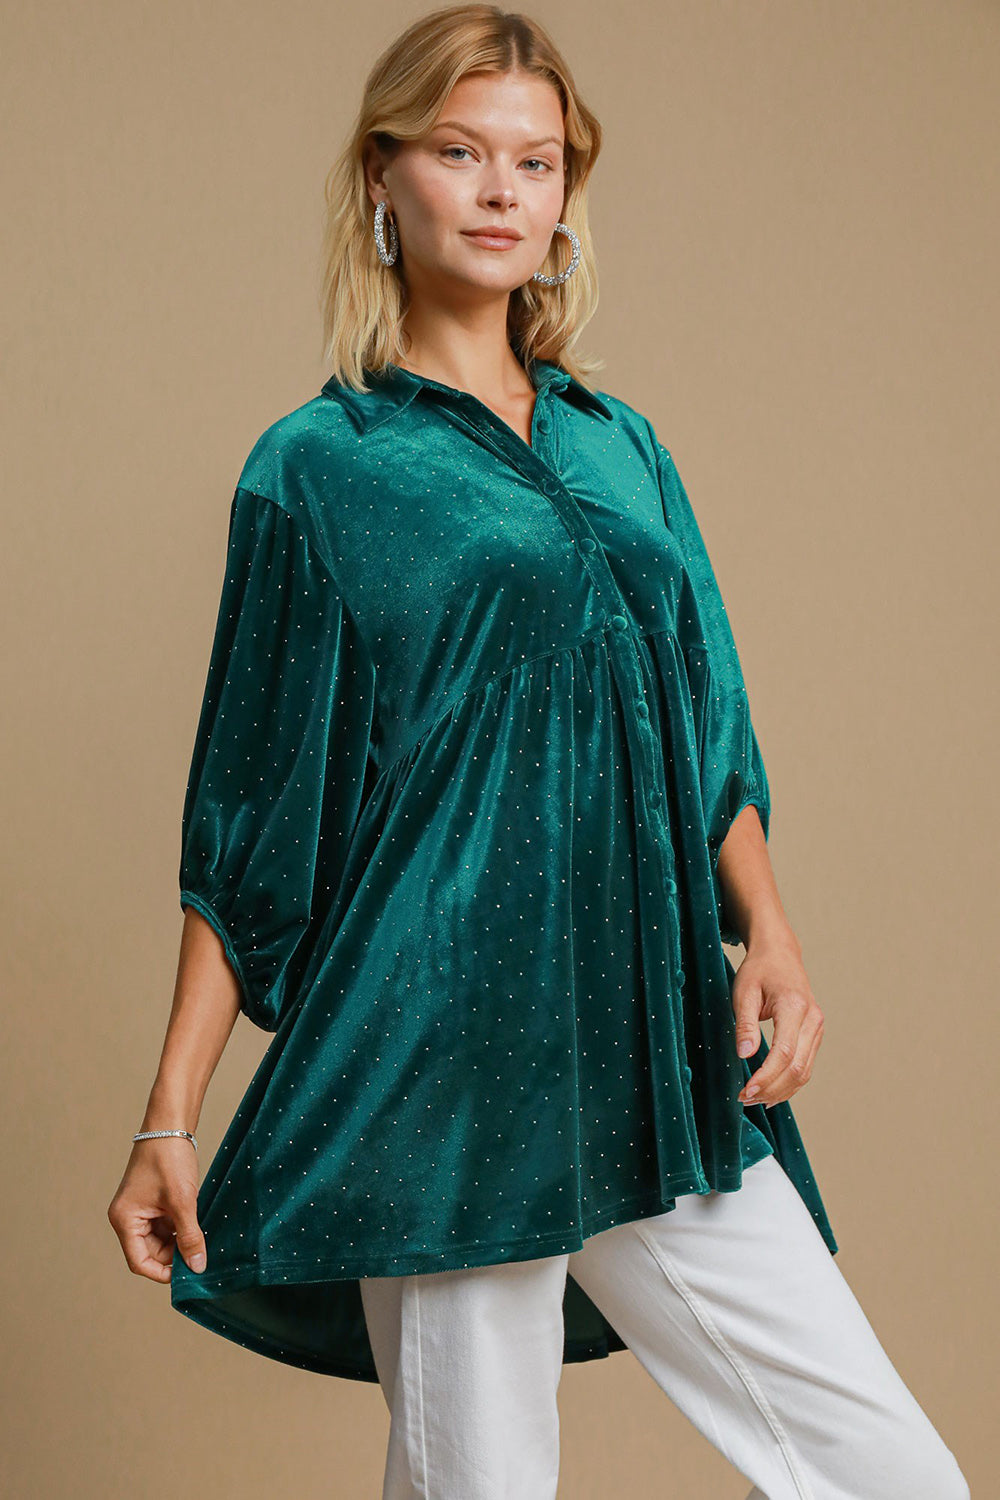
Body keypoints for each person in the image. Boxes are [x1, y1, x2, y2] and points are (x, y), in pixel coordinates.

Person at [108, 7, 969, 1497]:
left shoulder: (620, 444)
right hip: (444, 1056)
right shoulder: (319, 469)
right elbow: (252, 816)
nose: (503, 190)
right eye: (460, 151)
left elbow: (704, 721)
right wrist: (168, 1112)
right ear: (383, 176)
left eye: (537, 159)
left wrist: (769, 936)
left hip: (652, 1037)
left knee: (892, 1474)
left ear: (568, 191)